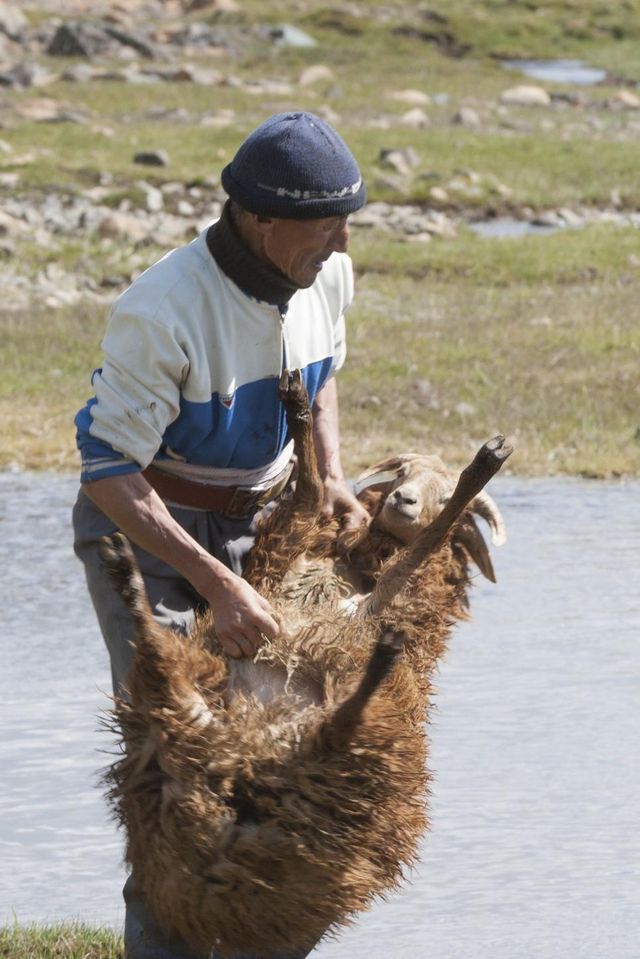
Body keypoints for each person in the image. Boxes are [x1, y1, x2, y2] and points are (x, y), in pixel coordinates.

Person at [72, 111, 368, 959]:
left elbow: (322, 374)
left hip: (259, 523)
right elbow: (109, 472)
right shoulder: (162, 308)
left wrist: (330, 474)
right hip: (148, 534)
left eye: (348, 220)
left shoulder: (325, 274)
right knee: (173, 759)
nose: (343, 241)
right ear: (260, 218)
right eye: (327, 223)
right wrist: (218, 583)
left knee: (285, 743)